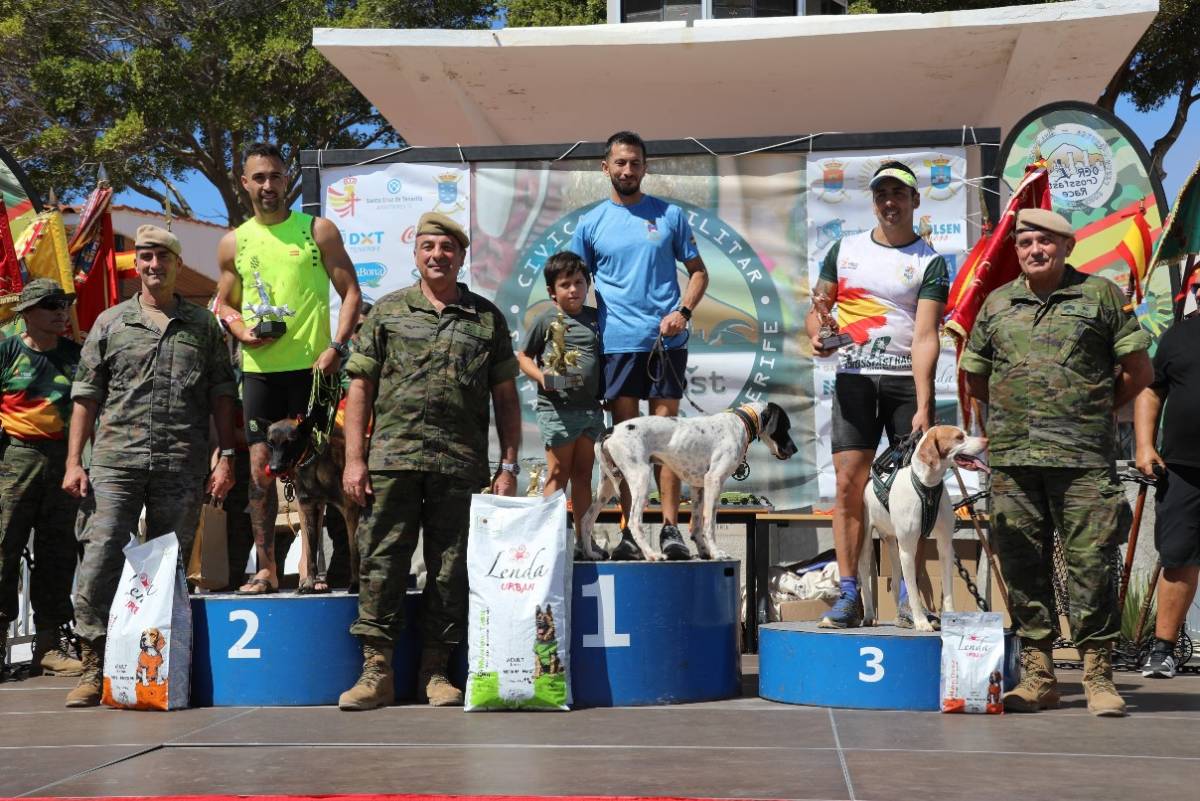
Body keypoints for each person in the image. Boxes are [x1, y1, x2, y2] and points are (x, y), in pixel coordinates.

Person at [961, 207, 1152, 716]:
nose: (1034, 251)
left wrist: (1093, 409)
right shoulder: (997, 303)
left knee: (1092, 565)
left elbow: (1138, 369)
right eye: (1025, 244)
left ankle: (1097, 676)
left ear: (1067, 246)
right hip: (1015, 460)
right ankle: (1040, 676)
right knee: (1023, 564)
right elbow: (976, 377)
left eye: (1045, 242)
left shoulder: (1100, 296)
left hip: (1083, 459)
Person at [339, 212, 521, 710]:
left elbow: (505, 397)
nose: (436, 255)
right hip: (391, 462)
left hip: (459, 465)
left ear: (461, 256)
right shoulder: (388, 312)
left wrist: (508, 464)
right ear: (415, 253)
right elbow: (360, 387)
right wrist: (355, 460)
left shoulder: (486, 318)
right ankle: (376, 673)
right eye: (427, 247)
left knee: (450, 568)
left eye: (446, 248)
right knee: (381, 564)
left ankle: (436, 672)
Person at [62, 225, 238, 707]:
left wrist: (225, 456)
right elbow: (85, 396)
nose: (153, 266)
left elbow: (223, 395)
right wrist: (75, 461)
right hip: (116, 462)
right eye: (145, 258)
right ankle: (93, 662)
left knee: (171, 565)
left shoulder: (202, 326)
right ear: (135, 265)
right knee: (100, 556)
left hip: (180, 461)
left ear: (177, 264)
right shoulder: (110, 323)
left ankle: (159, 663)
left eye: (162, 257)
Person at [215, 142, 361, 595]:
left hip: (314, 371)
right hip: (261, 373)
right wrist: (241, 332)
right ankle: (267, 570)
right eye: (258, 178)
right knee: (262, 471)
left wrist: (336, 346)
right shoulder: (234, 241)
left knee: (327, 475)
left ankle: (337, 571)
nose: (267, 186)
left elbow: (352, 292)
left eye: (275, 176)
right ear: (245, 183)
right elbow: (222, 304)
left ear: (287, 181)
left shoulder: (318, 231)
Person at [807, 160, 948, 629]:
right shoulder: (843, 250)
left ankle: (910, 595)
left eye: (899, 194)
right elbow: (819, 309)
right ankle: (850, 595)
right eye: (882, 193)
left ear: (914, 201)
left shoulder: (930, 260)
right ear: (873, 200)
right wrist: (817, 332)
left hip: (905, 383)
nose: (890, 202)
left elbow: (927, 335)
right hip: (853, 377)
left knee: (916, 489)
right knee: (849, 483)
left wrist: (925, 403)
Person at [569, 130, 708, 561]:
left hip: (666, 342)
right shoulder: (590, 223)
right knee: (629, 447)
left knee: (668, 441)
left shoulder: (669, 216)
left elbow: (699, 273)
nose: (627, 170)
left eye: (635, 163)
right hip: (617, 345)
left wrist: (682, 312)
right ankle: (633, 532)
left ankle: (670, 529)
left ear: (645, 167)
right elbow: (572, 283)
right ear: (605, 167)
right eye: (620, 163)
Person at [0, 280, 84, 677]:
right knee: (3, 549)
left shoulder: (75, 356)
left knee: (58, 551)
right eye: (51, 305)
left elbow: (90, 411)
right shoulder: (7, 351)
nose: (61, 312)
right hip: (14, 458)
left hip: (63, 459)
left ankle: (50, 644)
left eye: (65, 304)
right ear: (27, 313)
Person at [515, 251, 607, 559]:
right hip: (558, 411)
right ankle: (548, 545)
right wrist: (543, 378)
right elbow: (524, 357)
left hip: (592, 412)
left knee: (584, 476)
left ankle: (584, 542)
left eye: (579, 283)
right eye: (565, 284)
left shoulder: (597, 318)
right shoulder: (546, 320)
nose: (573, 290)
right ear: (552, 291)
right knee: (559, 475)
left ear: (588, 284)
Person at [1133, 281, 1200, 678]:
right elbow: (1150, 392)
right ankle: (1163, 651)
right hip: (1183, 470)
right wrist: (1144, 446)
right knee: (1177, 558)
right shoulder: (1178, 336)